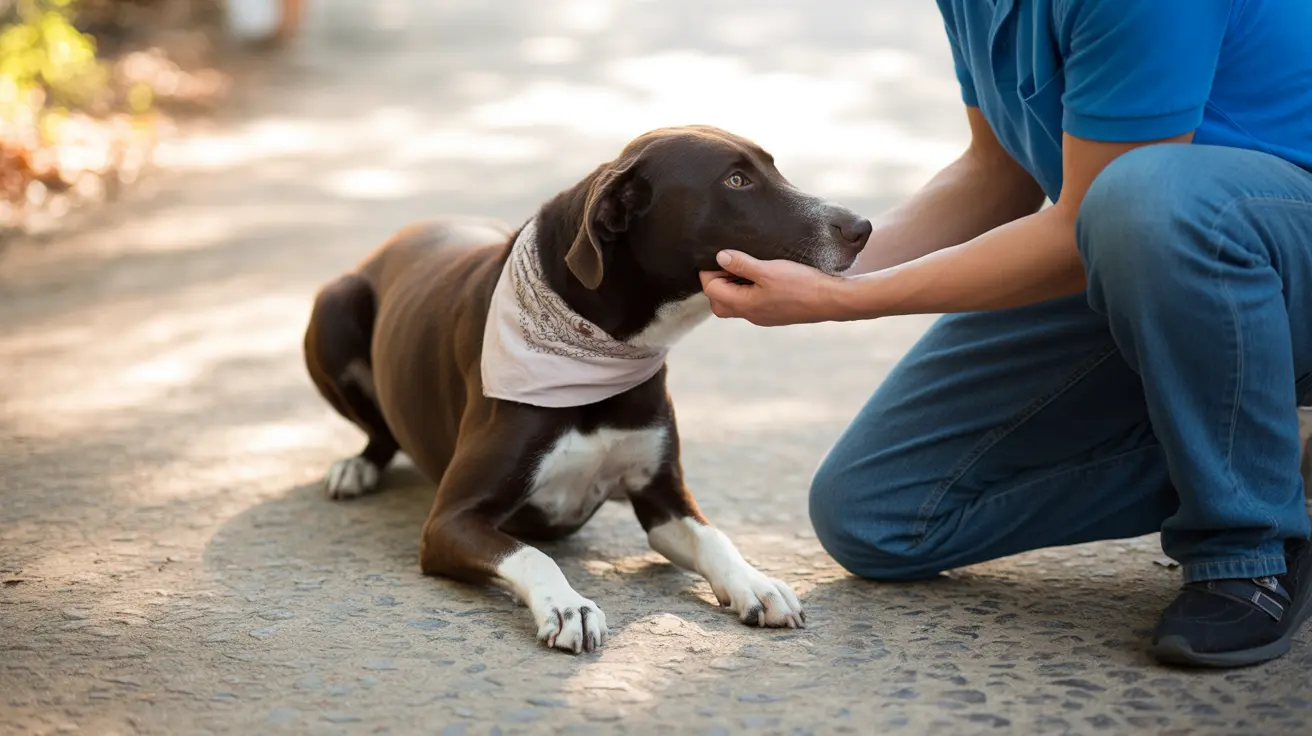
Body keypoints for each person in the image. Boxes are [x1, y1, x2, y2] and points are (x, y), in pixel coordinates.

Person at [700, 0, 1312, 668]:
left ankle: (1249, 547)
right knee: (879, 512)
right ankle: (1278, 455)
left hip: (1245, 242)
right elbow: (995, 173)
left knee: (1146, 199)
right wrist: (819, 265)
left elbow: (1099, 216)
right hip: (1166, 262)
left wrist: (845, 302)